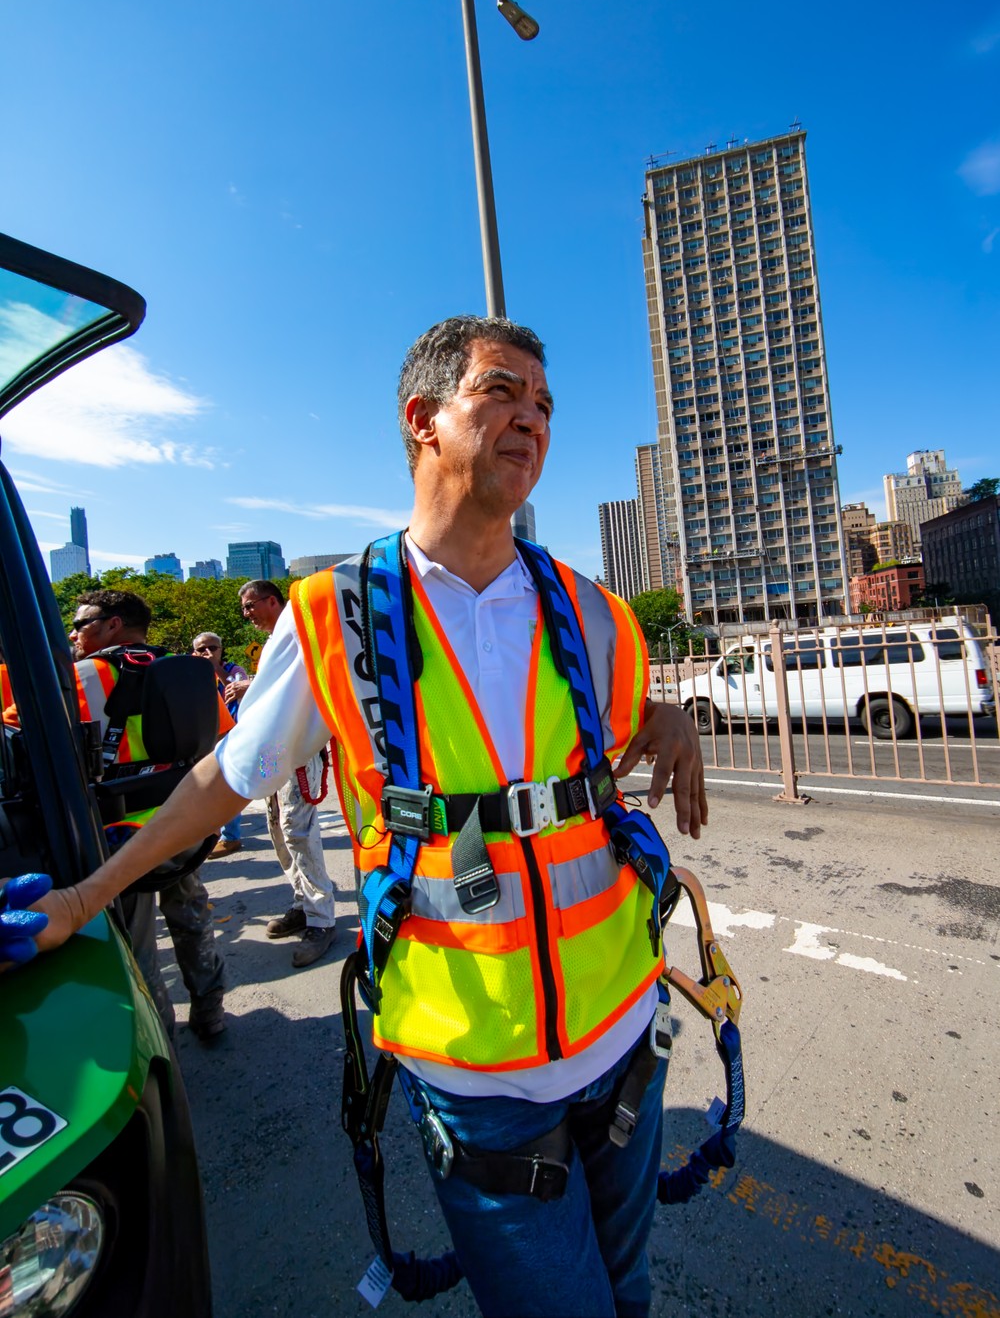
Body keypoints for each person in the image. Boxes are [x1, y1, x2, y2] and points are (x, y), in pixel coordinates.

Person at [28, 318, 707, 1317]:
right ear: (422, 419)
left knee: (629, 1293)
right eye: (501, 392)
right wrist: (88, 895)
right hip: (475, 1076)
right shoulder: (332, 617)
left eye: (544, 403)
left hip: (623, 1041)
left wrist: (667, 712)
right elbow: (227, 777)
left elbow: (601, 737)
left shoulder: (591, 609)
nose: (532, 417)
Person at [68, 590, 229, 1041]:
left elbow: (19, 734)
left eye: (80, 625)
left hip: (120, 835)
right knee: (191, 914)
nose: (74, 634)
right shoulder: (186, 672)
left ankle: (159, 1039)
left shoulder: (78, 678)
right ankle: (210, 1010)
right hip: (185, 821)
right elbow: (222, 739)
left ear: (113, 624)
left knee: (136, 941)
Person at [223, 580, 336, 968]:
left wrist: (251, 685)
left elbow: (305, 682)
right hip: (272, 749)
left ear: (273, 601)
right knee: (277, 825)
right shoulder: (273, 641)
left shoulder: (298, 629)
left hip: (298, 748)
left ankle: (321, 917)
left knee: (297, 827)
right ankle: (302, 902)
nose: (247, 614)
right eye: (244, 608)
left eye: (251, 605)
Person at [193, 631, 249, 857]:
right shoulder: (190, 671)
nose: (207, 652)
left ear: (221, 650)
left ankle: (231, 837)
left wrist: (215, 668)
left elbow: (234, 690)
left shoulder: (234, 671)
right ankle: (210, 835)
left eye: (213, 648)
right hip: (203, 736)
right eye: (201, 649)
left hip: (229, 734)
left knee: (228, 785)